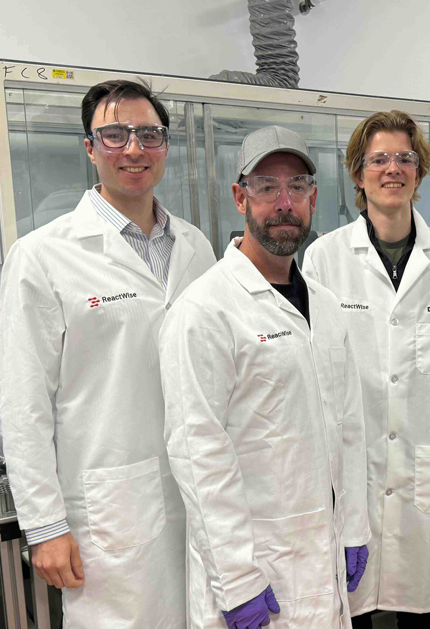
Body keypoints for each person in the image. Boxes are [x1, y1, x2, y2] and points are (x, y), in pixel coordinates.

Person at [0, 79, 216, 628]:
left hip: (201, 497)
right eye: (114, 135)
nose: (133, 149)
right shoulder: (43, 255)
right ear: (90, 148)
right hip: (110, 509)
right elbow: (23, 404)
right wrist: (44, 526)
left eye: (148, 135)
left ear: (165, 146)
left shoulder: (197, 247)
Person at [159, 125, 370, 629]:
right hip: (255, 568)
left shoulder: (326, 305)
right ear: (240, 197)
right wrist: (236, 580)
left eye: (296, 187)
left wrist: (355, 526)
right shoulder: (204, 310)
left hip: (323, 551)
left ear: (313, 198)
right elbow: (198, 452)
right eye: (267, 187)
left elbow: (350, 426)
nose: (284, 202)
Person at [303, 110, 430, 628]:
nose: (393, 168)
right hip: (352, 465)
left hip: (426, 463)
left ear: (420, 170)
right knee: (351, 606)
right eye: (379, 159)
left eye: (404, 158)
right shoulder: (324, 258)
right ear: (359, 172)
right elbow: (314, 370)